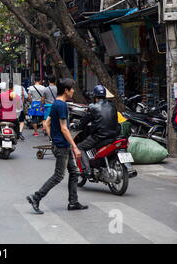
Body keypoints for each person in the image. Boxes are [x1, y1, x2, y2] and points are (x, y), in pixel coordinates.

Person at [26, 78, 88, 214]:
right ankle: (36, 197)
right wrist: (75, 146)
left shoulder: (56, 104)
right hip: (62, 147)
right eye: (72, 89)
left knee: (74, 172)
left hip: (60, 144)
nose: (73, 91)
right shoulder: (61, 105)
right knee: (58, 176)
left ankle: (73, 202)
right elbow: (64, 128)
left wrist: (52, 139)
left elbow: (46, 123)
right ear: (66, 90)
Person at [74, 85, 121, 178]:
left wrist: (76, 126)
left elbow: (84, 122)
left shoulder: (94, 108)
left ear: (95, 97)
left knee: (80, 147)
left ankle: (87, 171)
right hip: (114, 135)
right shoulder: (112, 106)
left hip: (100, 136)